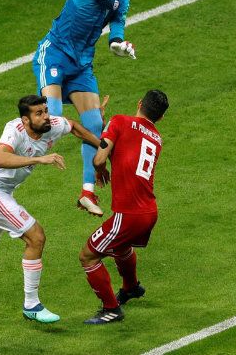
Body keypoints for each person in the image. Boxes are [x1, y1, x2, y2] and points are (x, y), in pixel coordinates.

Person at [0, 95, 101, 325]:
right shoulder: (14, 130)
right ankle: (31, 305)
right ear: (25, 119)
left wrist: (102, 146)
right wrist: (40, 159)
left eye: (45, 111)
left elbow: (74, 126)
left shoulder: (51, 125)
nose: (46, 117)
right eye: (39, 113)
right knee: (36, 237)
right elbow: (0, 158)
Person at [32, 0, 154, 216]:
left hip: (82, 66)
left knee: (95, 124)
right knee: (50, 120)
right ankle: (17, 149)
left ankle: (87, 192)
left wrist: (120, 45)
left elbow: (116, 30)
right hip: (55, 55)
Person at [79, 90, 169, 324]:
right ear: (160, 118)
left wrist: (100, 169)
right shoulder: (157, 139)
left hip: (129, 214)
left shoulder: (120, 121)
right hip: (148, 211)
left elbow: (99, 159)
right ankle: (131, 288)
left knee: (88, 256)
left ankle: (111, 309)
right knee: (121, 247)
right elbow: (129, 152)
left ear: (139, 103)